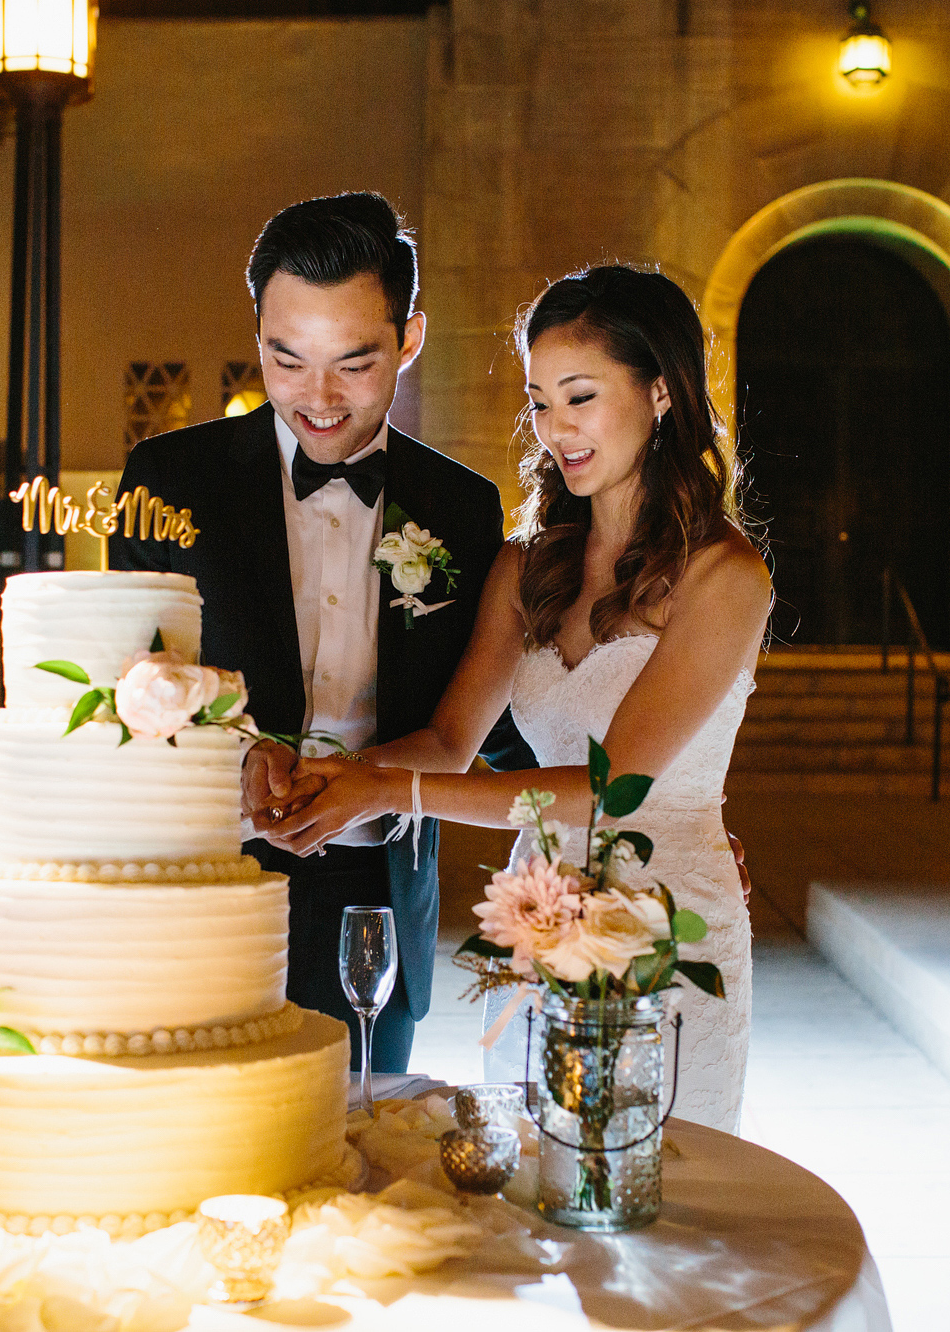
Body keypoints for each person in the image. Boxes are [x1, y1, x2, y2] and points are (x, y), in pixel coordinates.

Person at [259, 265, 772, 1130]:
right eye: (540, 402)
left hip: (669, 926)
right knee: (539, 1190)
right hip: (534, 920)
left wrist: (389, 790)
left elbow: (616, 789)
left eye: (580, 397)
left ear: (660, 392)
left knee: (654, 1189)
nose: (557, 428)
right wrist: (325, 775)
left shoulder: (724, 577)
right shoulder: (525, 566)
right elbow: (450, 742)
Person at [108, 192, 533, 1074]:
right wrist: (234, 757)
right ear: (259, 330)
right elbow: (115, 691)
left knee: (367, 1170)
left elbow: (494, 723)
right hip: (210, 883)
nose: (319, 398)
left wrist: (657, 801)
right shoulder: (168, 478)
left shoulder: (461, 505)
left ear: (409, 340)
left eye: (355, 363)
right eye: (286, 359)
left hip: (376, 904)